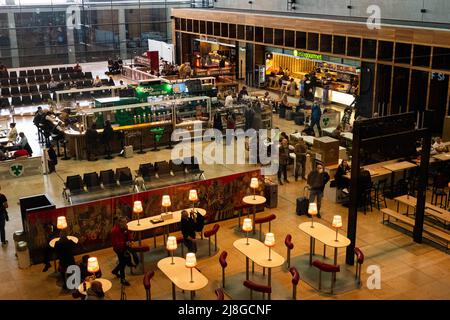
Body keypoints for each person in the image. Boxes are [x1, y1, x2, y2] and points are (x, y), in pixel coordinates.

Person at [111, 216, 132, 286]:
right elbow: (116, 243)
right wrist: (125, 243)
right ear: (119, 223)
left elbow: (128, 235)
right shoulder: (115, 231)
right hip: (118, 249)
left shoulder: (125, 227)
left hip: (124, 247)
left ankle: (115, 271)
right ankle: (123, 279)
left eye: (126, 222)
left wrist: (129, 240)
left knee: (123, 262)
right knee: (123, 263)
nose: (126, 224)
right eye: (124, 222)